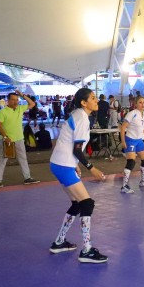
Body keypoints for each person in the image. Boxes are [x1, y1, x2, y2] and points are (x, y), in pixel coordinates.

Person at [48, 87, 108, 263]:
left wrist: (75, 165)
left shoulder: (78, 115)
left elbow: (67, 143)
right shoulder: (81, 117)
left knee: (77, 203)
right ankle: (87, 250)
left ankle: (59, 242)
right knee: (87, 203)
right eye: (93, 98)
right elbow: (77, 149)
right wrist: (91, 168)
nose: (96, 100)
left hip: (59, 163)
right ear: (83, 102)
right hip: (63, 165)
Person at [0, 91, 41, 187]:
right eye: (13, 100)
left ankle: (27, 178)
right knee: (3, 159)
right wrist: (5, 137)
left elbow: (32, 104)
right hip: (7, 140)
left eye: (17, 100)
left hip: (19, 139)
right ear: (8, 101)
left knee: (23, 158)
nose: (15, 102)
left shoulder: (20, 108)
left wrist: (22, 95)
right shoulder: (2, 112)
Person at [118, 95, 144, 193]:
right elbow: (123, 128)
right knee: (131, 162)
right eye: (140, 102)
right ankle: (124, 186)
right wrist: (123, 142)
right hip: (130, 140)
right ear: (135, 104)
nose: (142, 104)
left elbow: (143, 129)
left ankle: (143, 181)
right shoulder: (132, 114)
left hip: (139, 140)